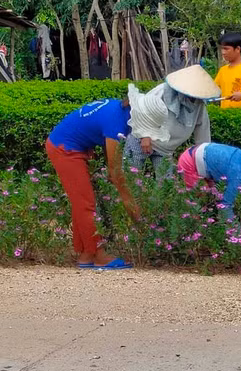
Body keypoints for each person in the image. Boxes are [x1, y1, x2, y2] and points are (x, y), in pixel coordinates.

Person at [46, 86, 168, 269]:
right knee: (85, 203)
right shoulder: (117, 123)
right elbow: (116, 171)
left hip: (75, 147)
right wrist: (136, 213)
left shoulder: (119, 110)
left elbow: (110, 159)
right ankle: (98, 254)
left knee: (81, 202)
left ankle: (86, 254)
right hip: (65, 149)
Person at [124, 65, 220, 179]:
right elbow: (142, 108)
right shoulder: (163, 91)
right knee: (130, 180)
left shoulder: (199, 105)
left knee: (165, 186)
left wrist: (203, 156)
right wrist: (144, 136)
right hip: (141, 141)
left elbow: (203, 133)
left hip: (166, 149)